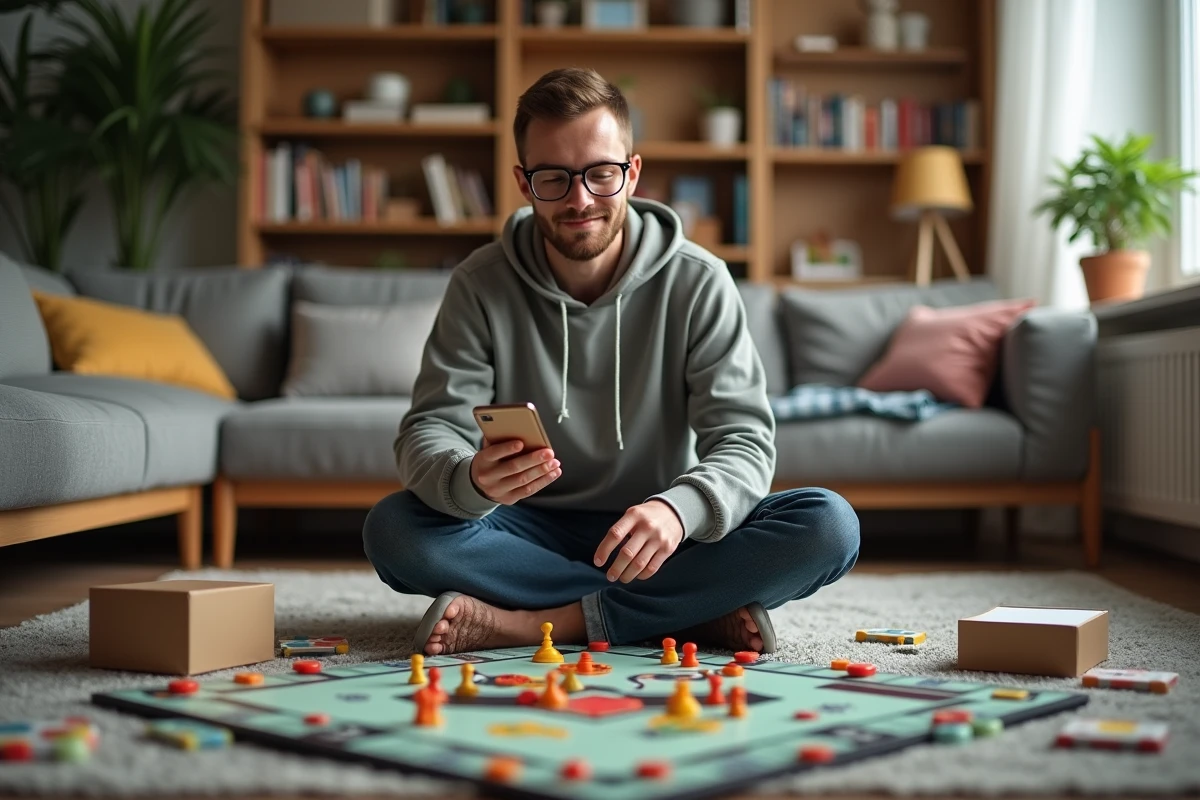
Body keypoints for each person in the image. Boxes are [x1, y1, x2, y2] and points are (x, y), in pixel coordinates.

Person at [363, 67, 860, 657]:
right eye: (554, 178)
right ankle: (685, 611)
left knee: (829, 525)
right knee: (394, 530)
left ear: (633, 173)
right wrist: (468, 479)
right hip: (523, 528)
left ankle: (550, 623)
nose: (580, 200)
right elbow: (428, 429)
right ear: (524, 182)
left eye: (601, 174)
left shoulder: (699, 281)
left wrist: (679, 510)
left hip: (661, 532)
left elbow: (745, 439)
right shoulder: (480, 283)